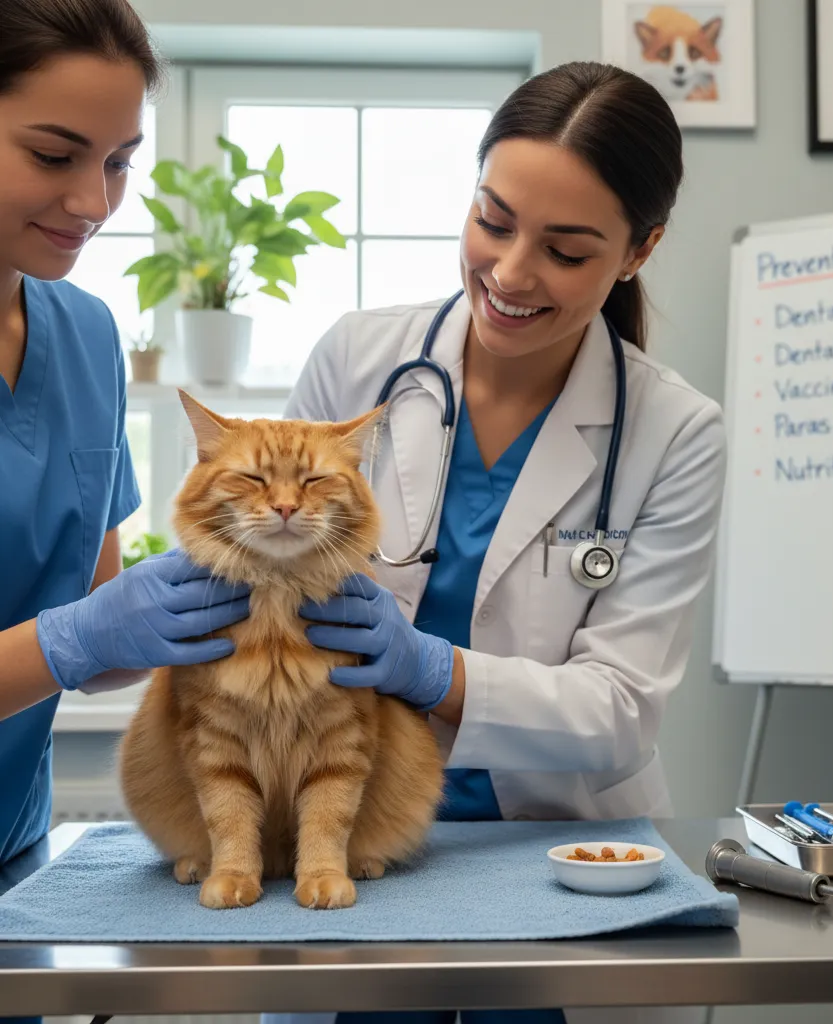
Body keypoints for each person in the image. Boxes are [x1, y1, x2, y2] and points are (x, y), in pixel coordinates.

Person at [264, 61, 726, 1024]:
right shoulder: (359, 359)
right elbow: (275, 584)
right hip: (338, 838)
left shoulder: (675, 433)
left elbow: (620, 711)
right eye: (494, 220)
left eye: (566, 250)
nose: (512, 274)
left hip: (552, 861)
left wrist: (432, 671)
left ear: (638, 251)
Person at [0, 5, 251, 1020]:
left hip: (19, 852)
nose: (91, 199)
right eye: (56, 153)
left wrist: (196, 606)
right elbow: (74, 637)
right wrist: (74, 635)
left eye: (118, 161)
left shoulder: (88, 334)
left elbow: (99, 638)